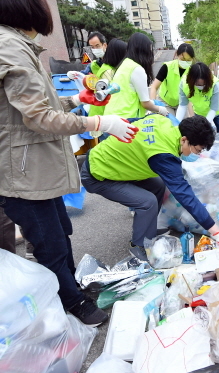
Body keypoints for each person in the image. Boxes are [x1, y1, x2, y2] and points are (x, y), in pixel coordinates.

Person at [0, 0, 138, 326]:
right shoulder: (9, 48)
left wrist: (77, 100)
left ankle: (69, 288)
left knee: (60, 232)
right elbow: (40, 118)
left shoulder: (20, 47)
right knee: (49, 243)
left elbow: (41, 104)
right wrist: (101, 123)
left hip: (38, 168)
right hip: (24, 173)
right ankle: (69, 301)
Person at [80, 114, 219, 260]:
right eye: (198, 150)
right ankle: (138, 246)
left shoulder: (162, 121)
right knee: (147, 202)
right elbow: (186, 196)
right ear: (184, 140)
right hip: (99, 173)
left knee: (159, 185)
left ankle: (149, 232)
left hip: (120, 165)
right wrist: (218, 233)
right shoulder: (163, 155)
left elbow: (130, 121)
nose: (198, 155)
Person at [176, 62, 219, 178]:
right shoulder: (184, 84)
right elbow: (182, 106)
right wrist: (176, 125)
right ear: (192, 80)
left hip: (218, 111)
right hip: (200, 112)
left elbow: (214, 108)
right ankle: (206, 165)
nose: (200, 86)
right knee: (202, 139)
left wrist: (206, 125)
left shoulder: (215, 84)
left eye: (202, 84)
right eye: (197, 84)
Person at [104, 32, 168, 118]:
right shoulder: (136, 69)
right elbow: (145, 103)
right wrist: (160, 109)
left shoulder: (124, 64)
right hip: (125, 119)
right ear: (143, 51)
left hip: (111, 117)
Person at [150, 43, 195, 115]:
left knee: (184, 124)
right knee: (170, 123)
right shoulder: (167, 67)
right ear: (177, 55)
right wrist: (153, 106)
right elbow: (154, 87)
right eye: (183, 59)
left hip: (182, 104)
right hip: (165, 103)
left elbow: (190, 96)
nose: (185, 62)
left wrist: (193, 117)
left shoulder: (191, 71)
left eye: (189, 60)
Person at [88, 38, 127, 118]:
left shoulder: (108, 67)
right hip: (102, 116)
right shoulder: (108, 72)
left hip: (101, 114)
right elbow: (115, 96)